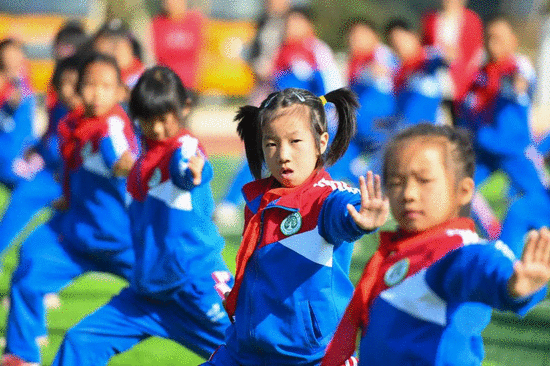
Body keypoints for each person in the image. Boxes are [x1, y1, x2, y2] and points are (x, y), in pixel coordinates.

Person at [322, 123, 550, 366]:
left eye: (424, 180)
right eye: (397, 181)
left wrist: (512, 284)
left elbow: (478, 263)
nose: (408, 193)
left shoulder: (452, 249)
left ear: (463, 191)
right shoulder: (402, 248)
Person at [50, 65, 234, 366]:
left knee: (255, 355)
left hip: (195, 287)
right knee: (80, 342)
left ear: (184, 108)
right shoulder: (141, 163)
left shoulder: (184, 148)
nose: (158, 128)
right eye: (148, 121)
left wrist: (193, 171)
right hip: (147, 292)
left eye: (164, 119)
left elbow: (187, 165)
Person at [202, 87, 389, 366]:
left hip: (312, 355)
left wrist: (359, 217)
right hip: (246, 348)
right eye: (271, 143)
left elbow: (341, 209)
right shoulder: (260, 200)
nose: (283, 154)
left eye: (295, 141)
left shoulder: (324, 198)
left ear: (321, 142)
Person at [1, 53, 137, 366]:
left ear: (119, 92)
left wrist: (128, 166)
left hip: (124, 240)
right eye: (88, 85)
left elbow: (119, 157)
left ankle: (239, 344)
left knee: (176, 292)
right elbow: (71, 167)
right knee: (32, 260)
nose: (94, 93)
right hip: (77, 235)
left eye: (104, 86)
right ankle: (22, 354)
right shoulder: (69, 124)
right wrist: (66, 196)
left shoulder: (111, 124)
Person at [458, 16, 545, 240]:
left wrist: (519, 84)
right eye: (488, 37)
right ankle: (494, 234)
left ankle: (535, 238)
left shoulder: (516, 66)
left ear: (512, 41)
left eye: (498, 37)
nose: (492, 42)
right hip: (485, 148)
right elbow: (467, 106)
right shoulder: (481, 74)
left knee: (540, 197)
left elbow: (523, 81)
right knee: (461, 190)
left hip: (516, 150)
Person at [0, 55, 82, 256]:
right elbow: (50, 138)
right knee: (20, 202)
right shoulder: (58, 109)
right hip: (48, 177)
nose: (67, 91)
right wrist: (36, 148)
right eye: (62, 84)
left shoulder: (91, 119)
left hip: (77, 184)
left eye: (73, 84)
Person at [329, 17, 397, 182]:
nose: (355, 40)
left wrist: (379, 70)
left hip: (380, 129)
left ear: (374, 36)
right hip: (356, 130)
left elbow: (389, 71)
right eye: (352, 36)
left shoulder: (382, 54)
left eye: (360, 35)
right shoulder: (353, 63)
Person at [385, 19, 452, 127]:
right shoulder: (396, 70)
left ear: (414, 36)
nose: (399, 46)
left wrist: (447, 57)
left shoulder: (429, 56)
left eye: (402, 40)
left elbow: (442, 60)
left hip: (433, 129)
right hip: (406, 129)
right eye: (394, 43)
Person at [421, 0, 484, 103]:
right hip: (436, 79)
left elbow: (477, 53)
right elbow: (425, 48)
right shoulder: (431, 19)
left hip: (462, 80)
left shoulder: (472, 20)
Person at [151, 0, 205, 90]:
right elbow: (153, 56)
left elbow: (204, 51)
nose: (172, 3)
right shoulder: (157, 23)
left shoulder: (196, 21)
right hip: (167, 86)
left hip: (193, 85)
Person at [92, 19, 146, 93]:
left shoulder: (144, 80)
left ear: (131, 47)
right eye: (108, 42)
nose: (113, 49)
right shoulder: (90, 76)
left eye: (119, 42)